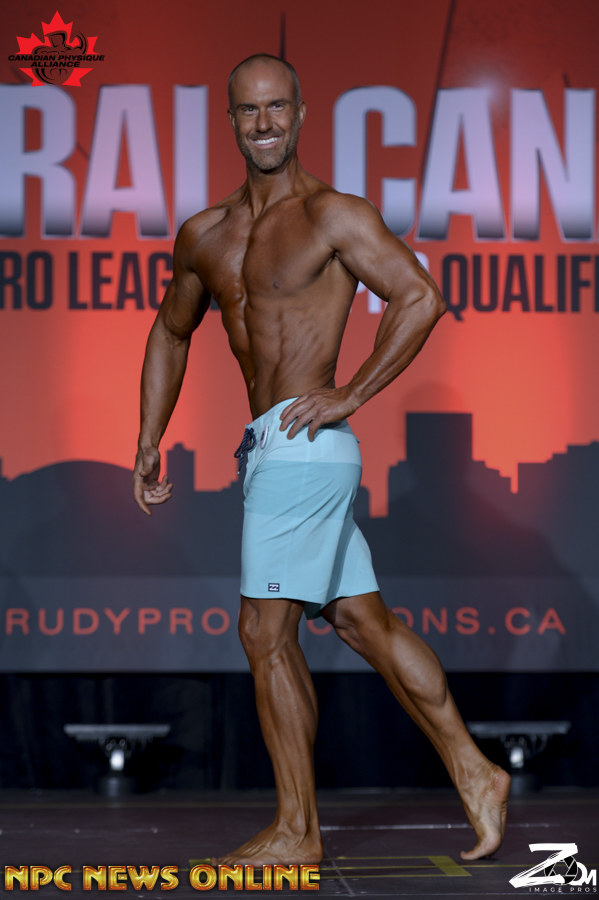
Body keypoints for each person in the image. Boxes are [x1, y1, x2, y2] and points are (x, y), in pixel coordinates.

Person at [133, 53, 510, 866]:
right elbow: (170, 330)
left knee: (262, 633)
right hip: (273, 448)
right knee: (361, 621)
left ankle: (297, 832)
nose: (264, 122)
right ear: (230, 121)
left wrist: (351, 393)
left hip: (305, 445)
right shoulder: (204, 233)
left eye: (277, 107)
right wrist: (148, 435)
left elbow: (420, 296)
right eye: (248, 110)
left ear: (301, 114)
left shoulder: (332, 215)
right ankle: (475, 770)